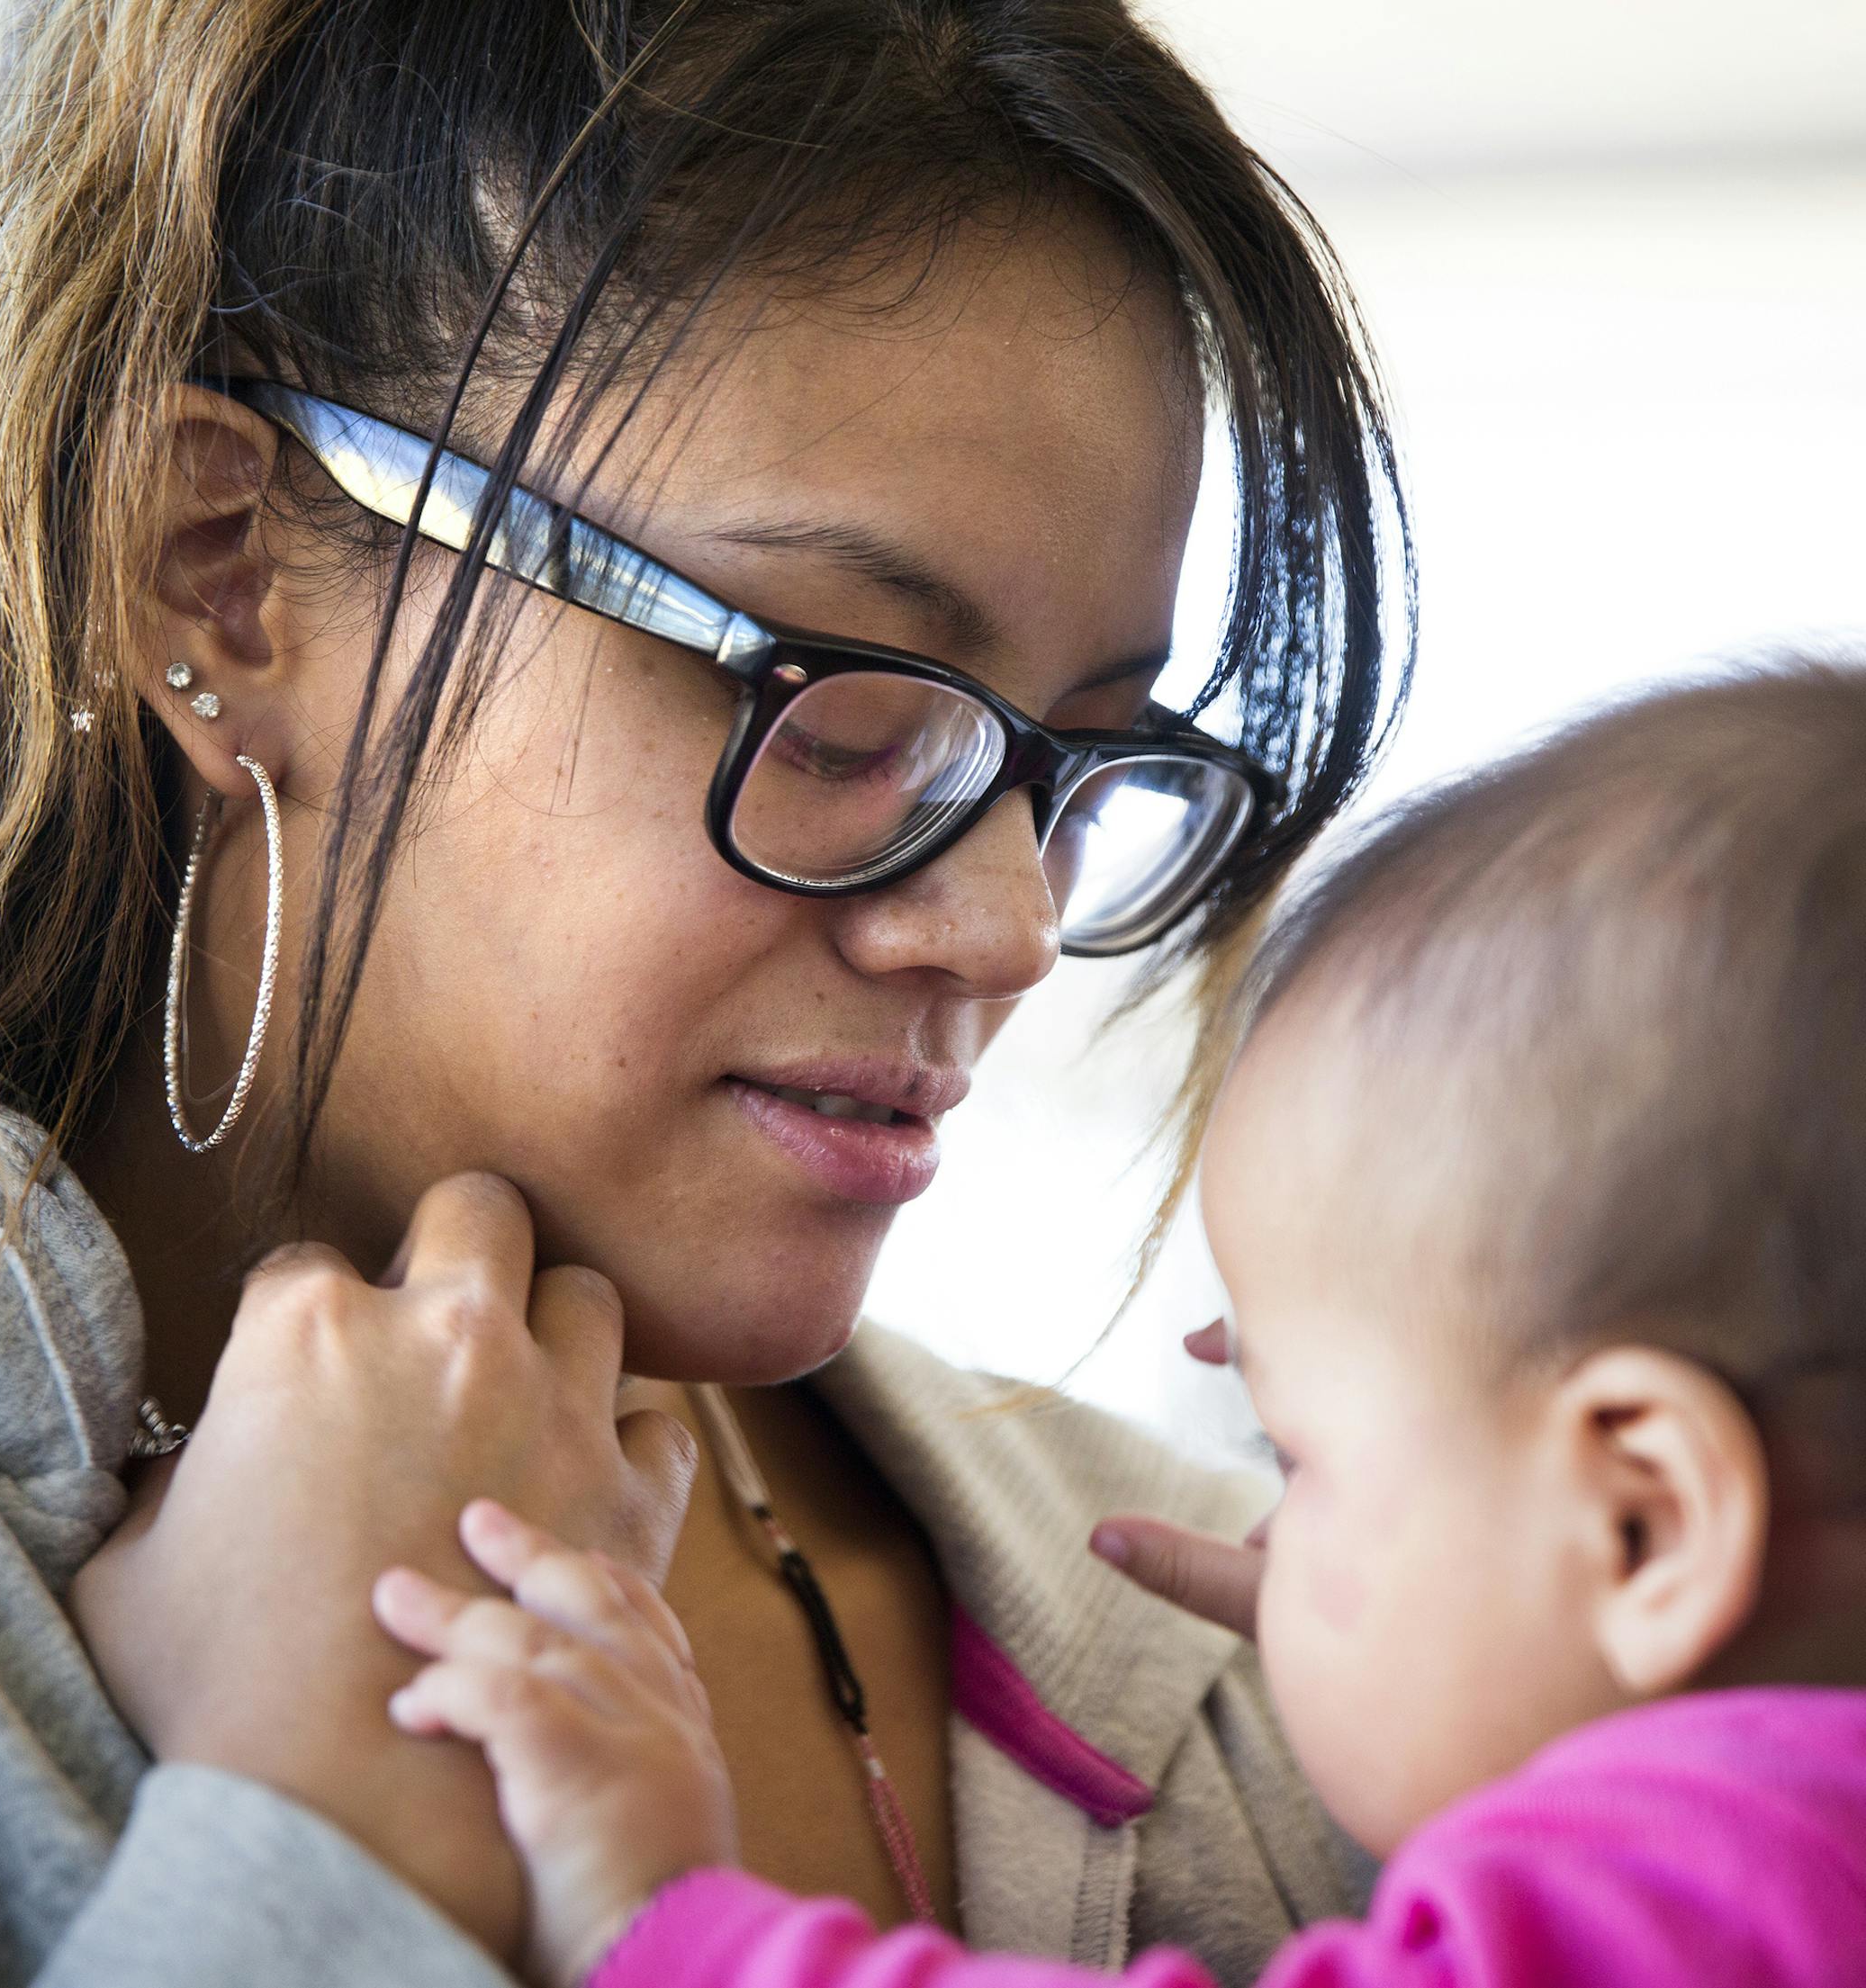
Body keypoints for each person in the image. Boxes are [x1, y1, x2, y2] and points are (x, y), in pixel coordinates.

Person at [0, 2, 1414, 1984]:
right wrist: (320, 1844)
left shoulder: (1300, 1675)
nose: (1002, 931)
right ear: (219, 575)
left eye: (1075, 764)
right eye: (841, 705)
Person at [383, 660, 1866, 1988]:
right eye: (848, 726)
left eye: (1300, 1458)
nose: (1020, 930)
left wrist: (668, 1919)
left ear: (1644, 1524)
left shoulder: (1701, 1888)